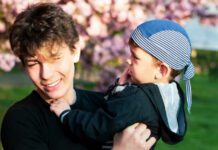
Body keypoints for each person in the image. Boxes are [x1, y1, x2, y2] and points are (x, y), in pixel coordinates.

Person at [0, 3, 156, 150]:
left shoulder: (107, 107)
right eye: (33, 63)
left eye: (55, 58)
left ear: (75, 50)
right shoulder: (20, 121)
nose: (45, 74)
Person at [50, 19, 195, 149]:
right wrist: (120, 87)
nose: (128, 60)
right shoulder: (166, 95)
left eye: (135, 57)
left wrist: (66, 114)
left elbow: (98, 126)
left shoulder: (137, 99)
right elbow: (115, 111)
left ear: (162, 70)